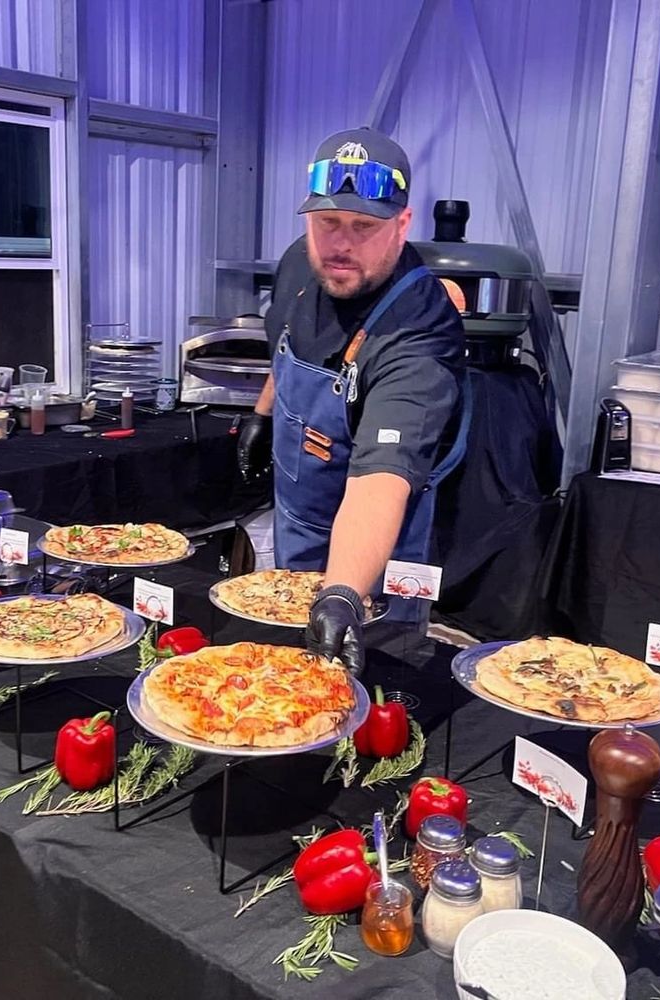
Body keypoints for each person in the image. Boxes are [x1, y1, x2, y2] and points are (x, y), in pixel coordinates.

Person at [236, 127, 469, 676]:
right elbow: (287, 341)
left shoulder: (421, 332)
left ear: (402, 224)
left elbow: (379, 482)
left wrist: (343, 593)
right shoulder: (302, 263)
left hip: (377, 548)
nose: (340, 244)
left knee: (379, 684)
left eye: (364, 227)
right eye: (327, 222)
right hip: (299, 520)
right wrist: (262, 415)